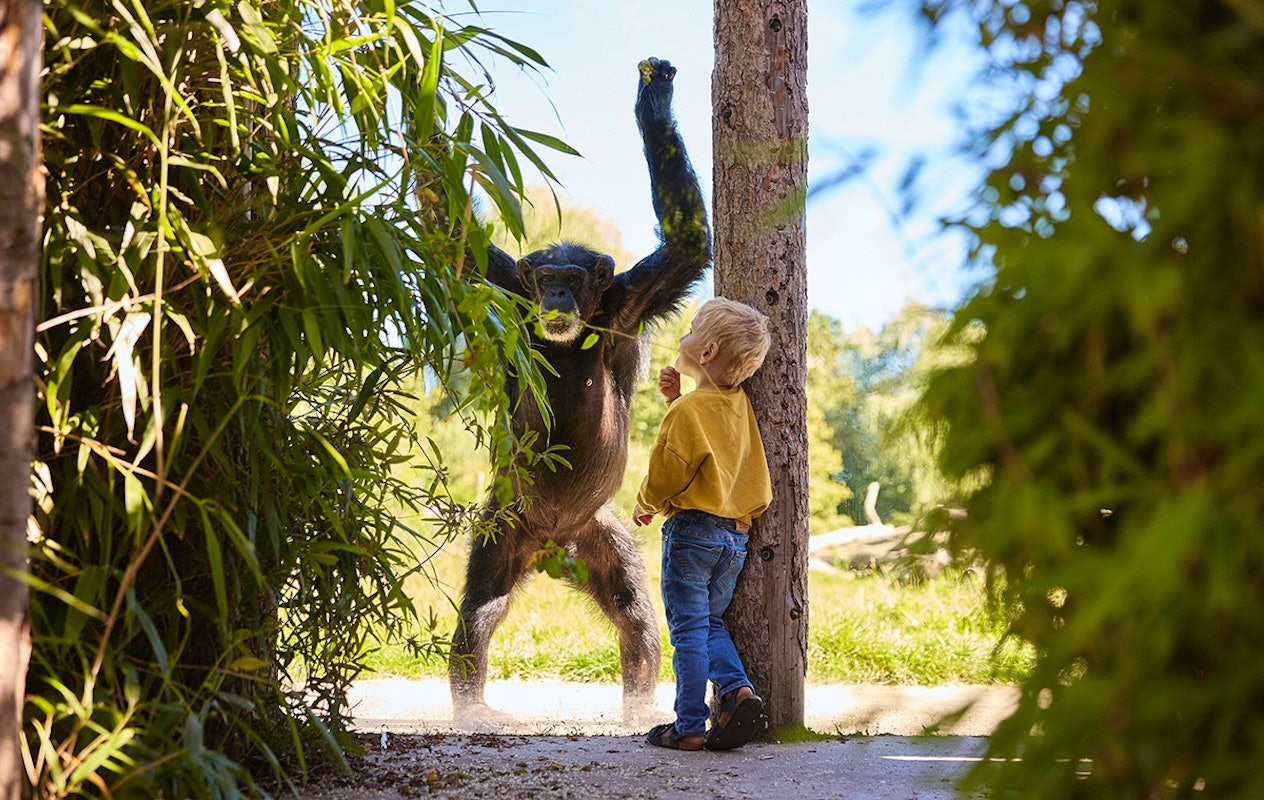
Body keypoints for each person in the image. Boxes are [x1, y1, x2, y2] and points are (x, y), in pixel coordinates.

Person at [632, 297, 773, 751]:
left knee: (687, 631)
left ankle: (689, 725)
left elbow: (672, 468)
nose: (681, 337)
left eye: (690, 331)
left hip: (692, 533)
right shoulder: (739, 406)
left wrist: (646, 501)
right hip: (735, 537)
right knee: (710, 623)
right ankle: (738, 691)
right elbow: (726, 457)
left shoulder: (688, 411)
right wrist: (677, 398)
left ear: (707, 352)